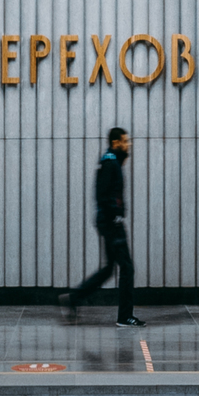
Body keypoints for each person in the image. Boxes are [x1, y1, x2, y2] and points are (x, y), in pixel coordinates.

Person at [61, 127, 134, 327]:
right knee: (126, 268)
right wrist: (116, 217)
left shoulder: (112, 161)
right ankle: (125, 317)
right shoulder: (109, 162)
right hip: (111, 223)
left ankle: (74, 298)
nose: (129, 145)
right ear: (116, 142)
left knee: (109, 268)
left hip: (108, 221)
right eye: (125, 141)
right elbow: (103, 194)